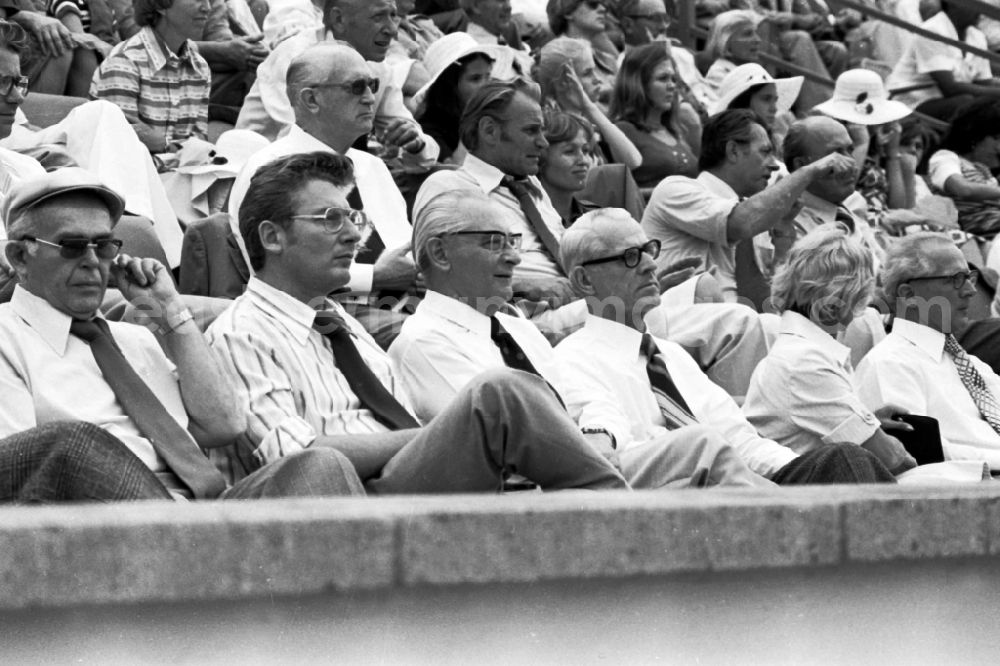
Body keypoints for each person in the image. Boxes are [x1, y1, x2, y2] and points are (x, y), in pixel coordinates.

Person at [207, 151, 630, 494]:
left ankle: (613, 512)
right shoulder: (240, 331)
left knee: (502, 397)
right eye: (330, 219)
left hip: (399, 479)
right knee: (498, 393)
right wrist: (437, 436)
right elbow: (297, 459)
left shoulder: (342, 326)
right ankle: (624, 513)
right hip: (347, 495)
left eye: (353, 219)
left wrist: (441, 437)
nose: (354, 236)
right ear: (272, 237)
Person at [0, 167, 364, 501]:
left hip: (196, 511)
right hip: (102, 528)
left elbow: (224, 424)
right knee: (72, 443)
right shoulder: (6, 337)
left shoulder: (137, 338)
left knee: (322, 464)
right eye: (73, 247)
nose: (94, 262)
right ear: (19, 257)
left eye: (105, 246)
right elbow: (16, 473)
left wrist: (170, 312)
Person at [389, 191, 770, 488]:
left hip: (590, 464)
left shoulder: (515, 326)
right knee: (699, 447)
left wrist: (601, 434)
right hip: (545, 487)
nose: (513, 258)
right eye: (493, 243)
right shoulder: (424, 342)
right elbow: (503, 449)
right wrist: (605, 446)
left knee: (710, 451)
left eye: (512, 242)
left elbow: (584, 401)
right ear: (440, 252)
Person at [555, 209, 896, 484]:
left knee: (841, 462)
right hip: (680, 494)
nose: (649, 264)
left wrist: (804, 474)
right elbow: (610, 448)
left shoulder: (670, 356)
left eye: (649, 250)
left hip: (741, 486)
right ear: (585, 280)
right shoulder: (571, 360)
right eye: (629, 256)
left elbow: (741, 440)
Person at [228, 43, 418, 348]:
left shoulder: (373, 166)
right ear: (311, 99)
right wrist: (375, 277)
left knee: (499, 320)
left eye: (373, 85)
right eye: (356, 87)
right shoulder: (268, 169)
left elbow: (404, 249)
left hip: (405, 301)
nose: (370, 98)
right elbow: (271, 270)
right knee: (426, 338)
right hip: (317, 311)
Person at [743, 225, 917, 476]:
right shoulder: (805, 361)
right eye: (862, 300)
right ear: (833, 309)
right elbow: (895, 460)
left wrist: (870, 422)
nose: (866, 309)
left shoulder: (802, 353)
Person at [641, 109, 855, 302]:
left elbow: (771, 297)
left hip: (738, 324)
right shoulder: (675, 189)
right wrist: (809, 171)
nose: (773, 164)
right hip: (681, 324)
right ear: (733, 151)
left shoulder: (754, 213)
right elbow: (740, 224)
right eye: (765, 152)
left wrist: (781, 232)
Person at [855, 232, 1000, 468]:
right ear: (908, 294)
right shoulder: (890, 365)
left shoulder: (973, 365)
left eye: (969, 277)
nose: (970, 290)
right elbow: (923, 456)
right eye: (955, 279)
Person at [236, 0, 439, 168]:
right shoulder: (297, 58)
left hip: (332, 172)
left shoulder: (379, 69)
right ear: (339, 19)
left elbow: (424, 154)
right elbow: (298, 146)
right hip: (267, 178)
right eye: (378, 17)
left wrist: (414, 143)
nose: (393, 30)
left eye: (393, 16)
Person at [89, 0, 211, 157]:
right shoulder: (124, 61)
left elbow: (199, 148)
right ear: (161, 5)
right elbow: (119, 151)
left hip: (176, 174)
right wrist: (172, 150)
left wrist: (163, 146)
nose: (207, 8)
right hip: (130, 175)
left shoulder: (200, 67)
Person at [814, 68, 923, 236]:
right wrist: (861, 144)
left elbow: (898, 206)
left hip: (884, 227)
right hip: (855, 225)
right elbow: (840, 191)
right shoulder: (831, 146)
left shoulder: (876, 148)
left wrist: (893, 154)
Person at [536, 35, 641, 169]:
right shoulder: (550, 128)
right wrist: (588, 106)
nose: (597, 79)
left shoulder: (591, 119)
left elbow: (633, 161)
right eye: (587, 73)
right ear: (564, 83)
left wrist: (589, 108)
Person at [886, 0, 998, 122]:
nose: (980, 10)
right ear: (953, 3)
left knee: (986, 103)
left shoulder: (976, 36)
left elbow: (984, 84)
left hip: (945, 101)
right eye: (975, 4)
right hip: (910, 104)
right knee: (966, 103)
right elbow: (950, 88)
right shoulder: (932, 30)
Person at [610, 42, 698, 192]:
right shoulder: (624, 130)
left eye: (673, 79)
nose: (672, 86)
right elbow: (621, 192)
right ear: (639, 84)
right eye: (663, 79)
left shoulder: (676, 130)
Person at [413, 32, 497, 164]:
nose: (485, 85)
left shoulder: (493, 115)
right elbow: (454, 169)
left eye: (488, 76)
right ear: (450, 85)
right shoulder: (429, 128)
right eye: (475, 79)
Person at [928, 97, 1000, 238]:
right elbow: (962, 189)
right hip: (975, 229)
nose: (999, 147)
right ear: (975, 135)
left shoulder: (985, 174)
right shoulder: (945, 158)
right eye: (996, 138)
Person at [711, 61, 801, 157]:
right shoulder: (722, 147)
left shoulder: (777, 143)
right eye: (766, 99)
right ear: (743, 102)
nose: (774, 109)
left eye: (775, 100)